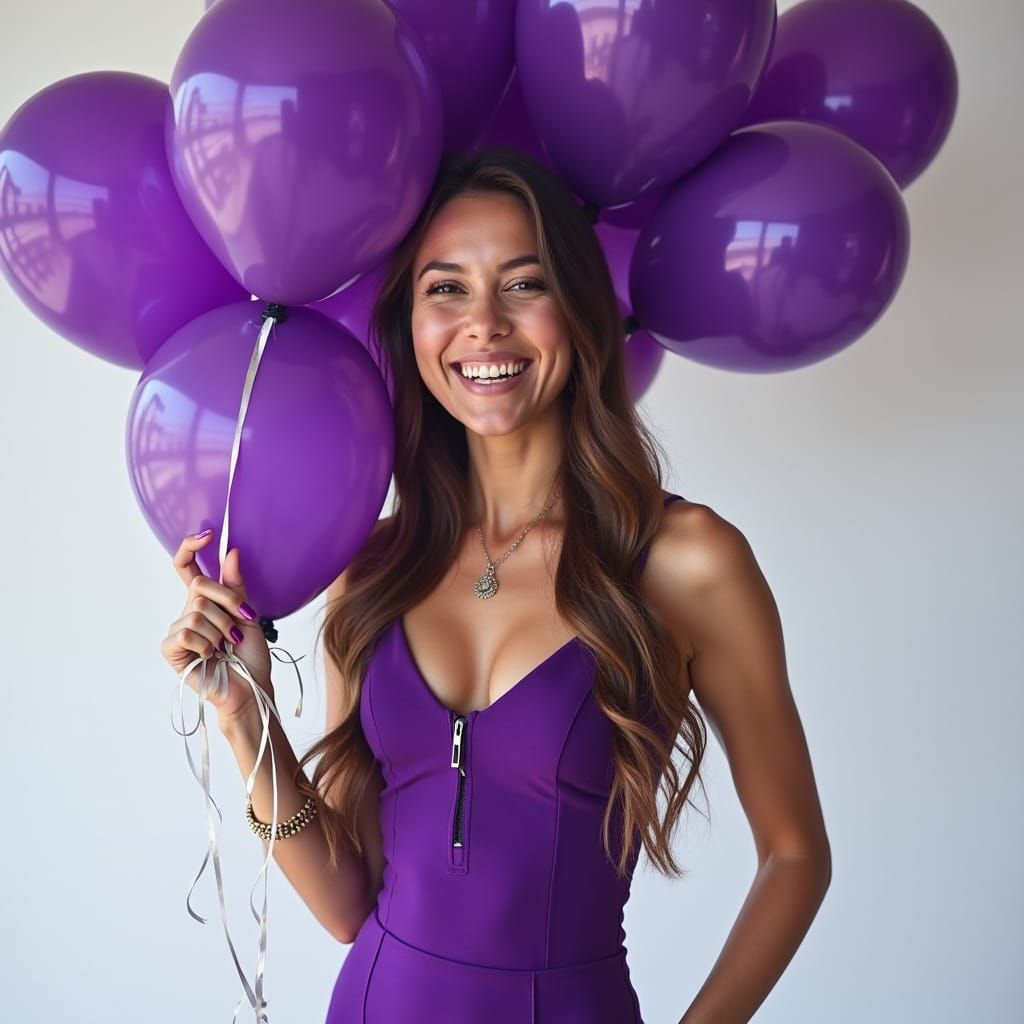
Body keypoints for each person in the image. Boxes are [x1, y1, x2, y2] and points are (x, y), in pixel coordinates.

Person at [160, 147, 831, 1024]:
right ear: (410, 324)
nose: (483, 324)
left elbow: (795, 855)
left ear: (580, 312)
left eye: (523, 284)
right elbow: (346, 903)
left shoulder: (687, 561)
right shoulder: (372, 567)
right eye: (445, 289)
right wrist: (245, 716)